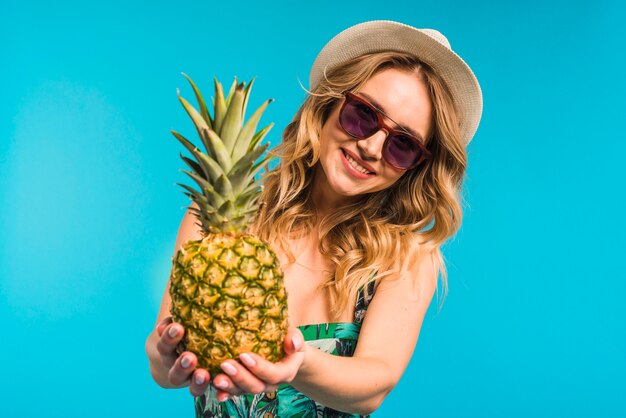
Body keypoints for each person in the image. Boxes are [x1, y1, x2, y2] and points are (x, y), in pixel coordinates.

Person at [145, 20, 482, 417]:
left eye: (402, 144)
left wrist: (295, 362)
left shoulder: (406, 259)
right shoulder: (219, 227)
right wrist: (168, 358)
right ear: (329, 104)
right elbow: (162, 360)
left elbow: (375, 383)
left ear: (416, 166)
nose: (371, 146)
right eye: (364, 115)